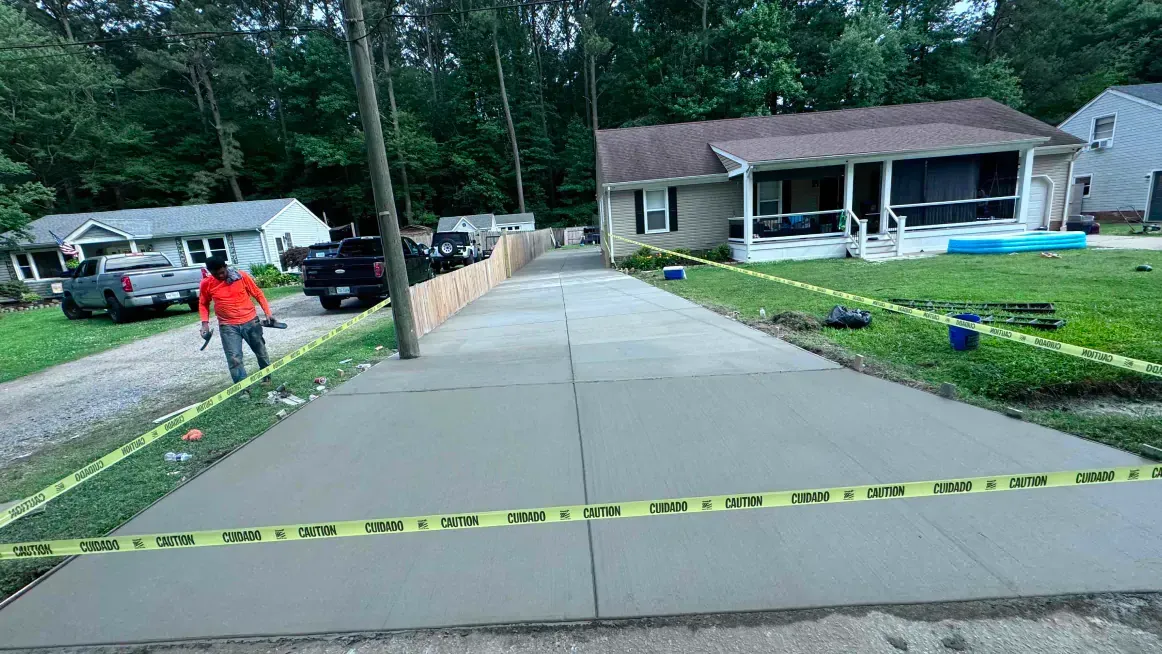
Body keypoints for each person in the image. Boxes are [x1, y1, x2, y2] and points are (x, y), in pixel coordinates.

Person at [198, 256, 275, 385]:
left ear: (226, 267)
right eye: (216, 274)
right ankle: (242, 388)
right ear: (210, 272)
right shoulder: (206, 283)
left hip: (251, 321)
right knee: (234, 358)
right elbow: (203, 303)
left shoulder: (241, 276)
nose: (220, 276)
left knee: (260, 351)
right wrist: (204, 323)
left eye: (222, 272)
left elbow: (258, 293)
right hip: (227, 326)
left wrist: (268, 313)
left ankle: (266, 377)